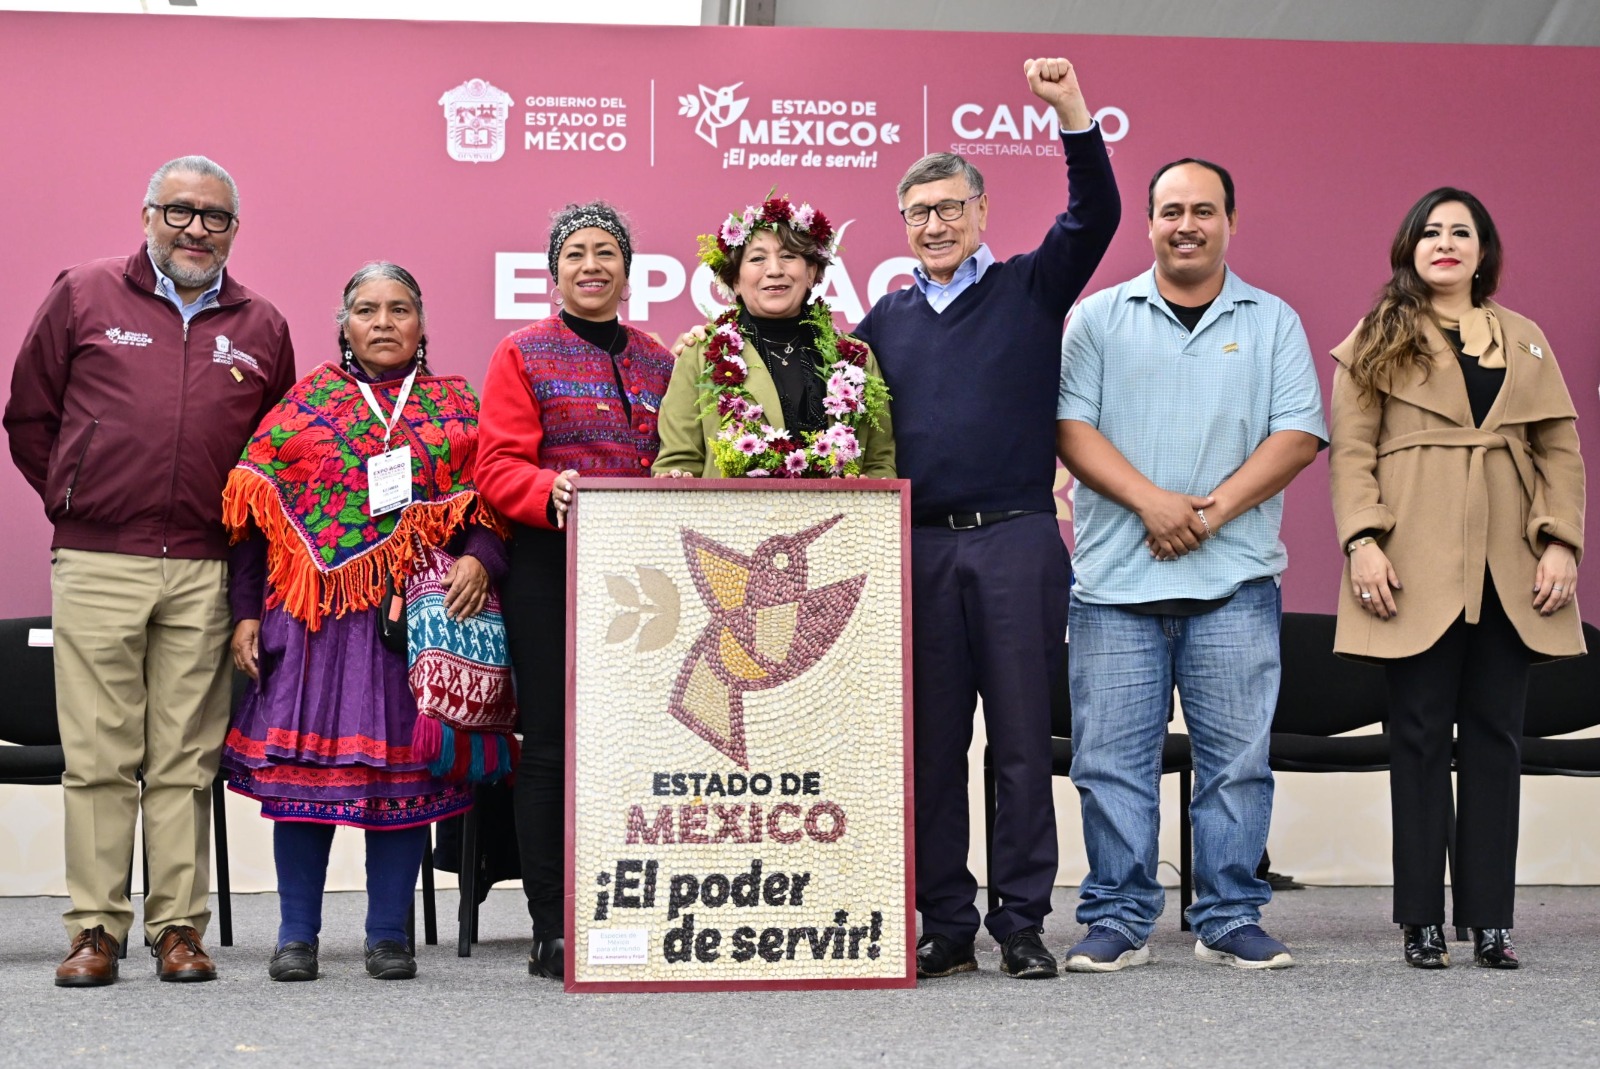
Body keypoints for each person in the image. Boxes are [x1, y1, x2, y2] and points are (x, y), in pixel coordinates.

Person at [850, 57, 1118, 980]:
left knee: (1020, 742)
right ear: (904, 225)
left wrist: (1070, 110)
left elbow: (1095, 215)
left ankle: (1022, 922)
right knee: (931, 749)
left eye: (949, 208)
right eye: (918, 213)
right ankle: (947, 921)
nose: (934, 225)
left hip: (1015, 540)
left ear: (981, 212)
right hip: (917, 548)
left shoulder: (1030, 288)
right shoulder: (879, 323)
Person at [4, 156, 296, 987]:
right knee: (98, 755)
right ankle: (95, 929)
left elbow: (272, 458)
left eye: (214, 216)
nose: (196, 228)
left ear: (234, 231)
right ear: (147, 216)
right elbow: (30, 416)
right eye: (179, 211)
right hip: (100, 558)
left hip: (205, 565)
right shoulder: (84, 293)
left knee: (184, 759)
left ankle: (178, 930)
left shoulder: (263, 325)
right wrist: (78, 498)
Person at [1056, 158, 1325, 972]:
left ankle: (1230, 914)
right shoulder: (1097, 317)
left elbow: (1297, 435)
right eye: (1171, 210)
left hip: (1234, 578)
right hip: (1116, 582)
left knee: (1237, 764)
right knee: (1111, 764)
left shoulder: (1272, 320)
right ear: (1148, 224)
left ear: (1230, 222)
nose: (1186, 225)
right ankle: (1118, 915)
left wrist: (1205, 514)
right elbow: (1071, 429)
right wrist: (1154, 503)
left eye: (1203, 210)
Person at [222, 262, 509, 981]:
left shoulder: (456, 407)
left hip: (413, 626)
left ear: (422, 323)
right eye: (367, 310)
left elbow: (494, 502)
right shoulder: (306, 404)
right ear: (343, 325)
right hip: (313, 624)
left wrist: (481, 559)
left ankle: (388, 935)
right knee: (305, 781)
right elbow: (255, 516)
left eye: (399, 309)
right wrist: (245, 613)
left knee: (403, 777)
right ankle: (296, 935)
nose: (383, 322)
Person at [1328, 188, 1584, 970]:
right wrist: (1363, 541)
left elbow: (1560, 451)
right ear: (1409, 247)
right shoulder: (1378, 335)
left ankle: (1491, 919)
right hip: (1412, 562)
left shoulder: (1525, 339)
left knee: (1496, 738)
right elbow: (1351, 454)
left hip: (1509, 564)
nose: (1445, 242)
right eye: (1431, 231)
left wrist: (1561, 543)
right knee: (1416, 736)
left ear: (1483, 251)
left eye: (1461, 231)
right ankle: (1421, 919)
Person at [476, 201, 676, 980]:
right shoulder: (521, 352)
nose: (591, 265)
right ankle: (551, 923)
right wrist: (546, 489)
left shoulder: (660, 360)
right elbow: (496, 465)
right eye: (575, 254)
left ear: (628, 270)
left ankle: (633, 907)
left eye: (605, 253)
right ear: (554, 273)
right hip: (549, 565)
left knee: (639, 742)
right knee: (553, 746)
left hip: (645, 574)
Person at [654, 192, 894, 479]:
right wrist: (676, 479)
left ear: (811, 272)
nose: (775, 270)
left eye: (788, 256)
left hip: (838, 510)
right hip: (730, 511)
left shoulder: (855, 359)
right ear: (735, 280)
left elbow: (879, 462)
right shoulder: (702, 354)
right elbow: (678, 462)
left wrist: (871, 489)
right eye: (757, 258)